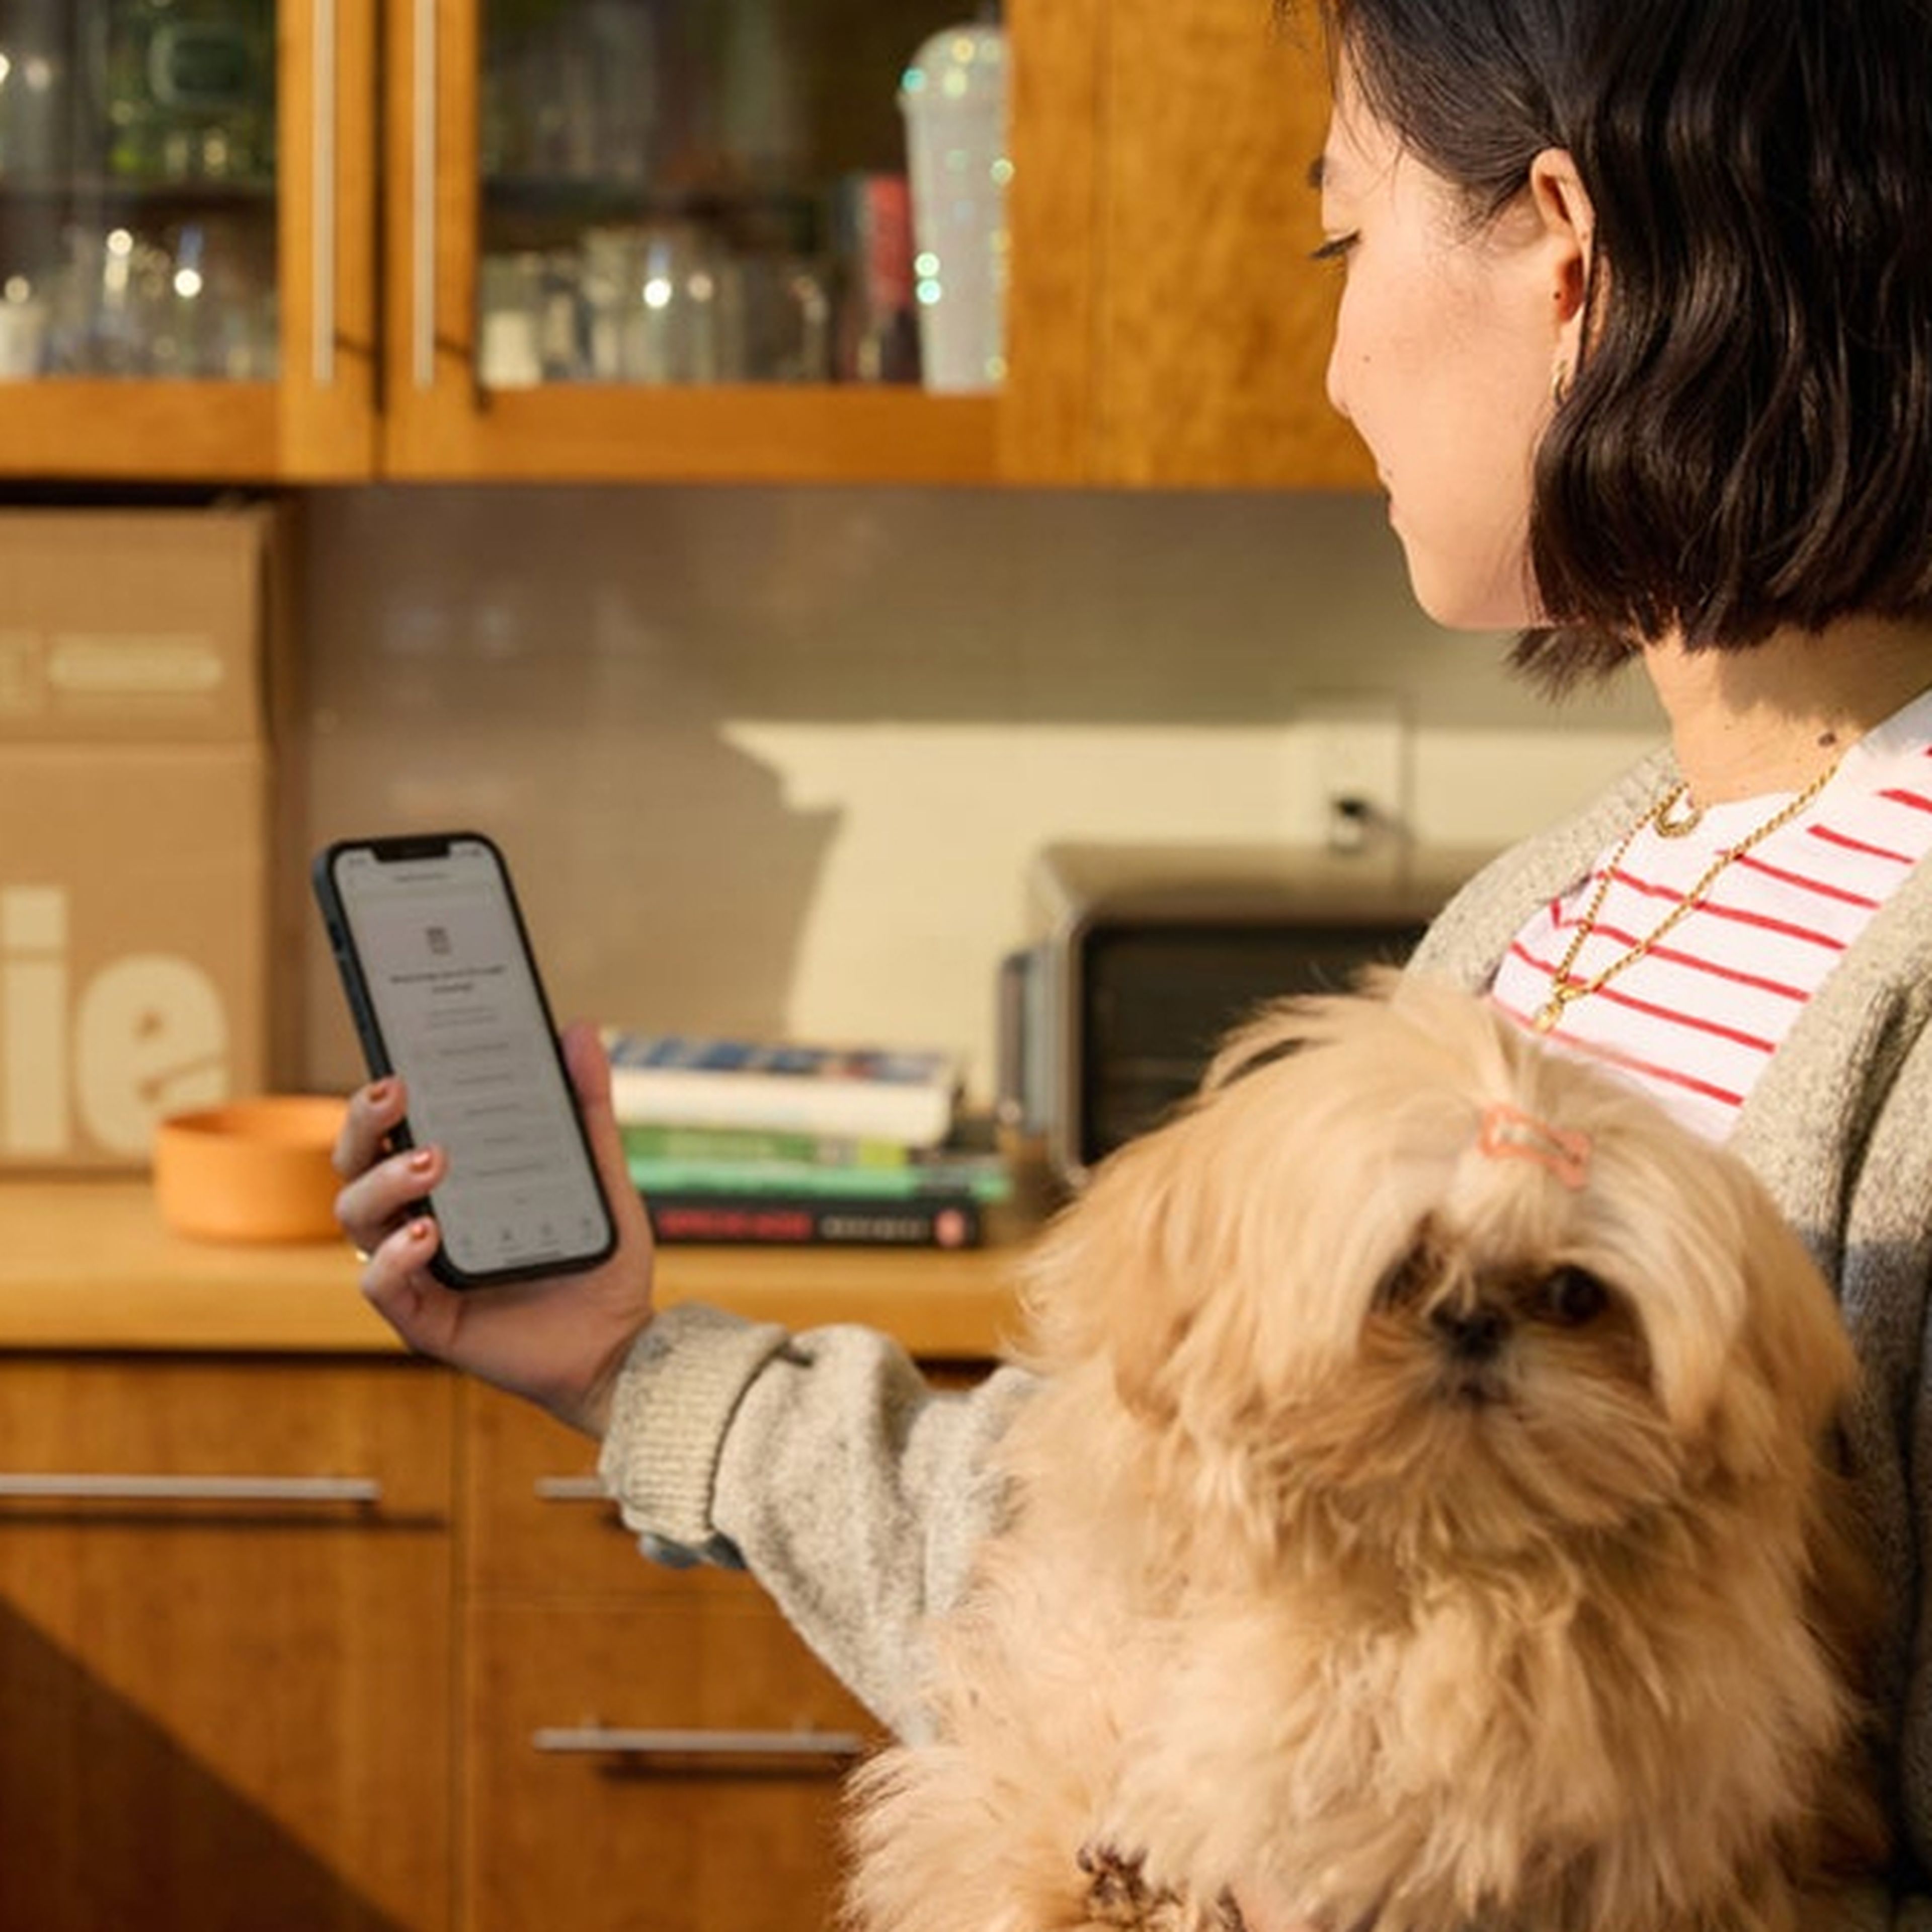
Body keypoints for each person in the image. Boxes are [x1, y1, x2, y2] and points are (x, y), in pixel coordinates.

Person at [336, 0, 1932, 1920]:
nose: (1339, 365)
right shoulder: (1560, 914)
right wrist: (629, 1360)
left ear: (1568, 255)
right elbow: (1113, 1578)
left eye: (1348, 240)